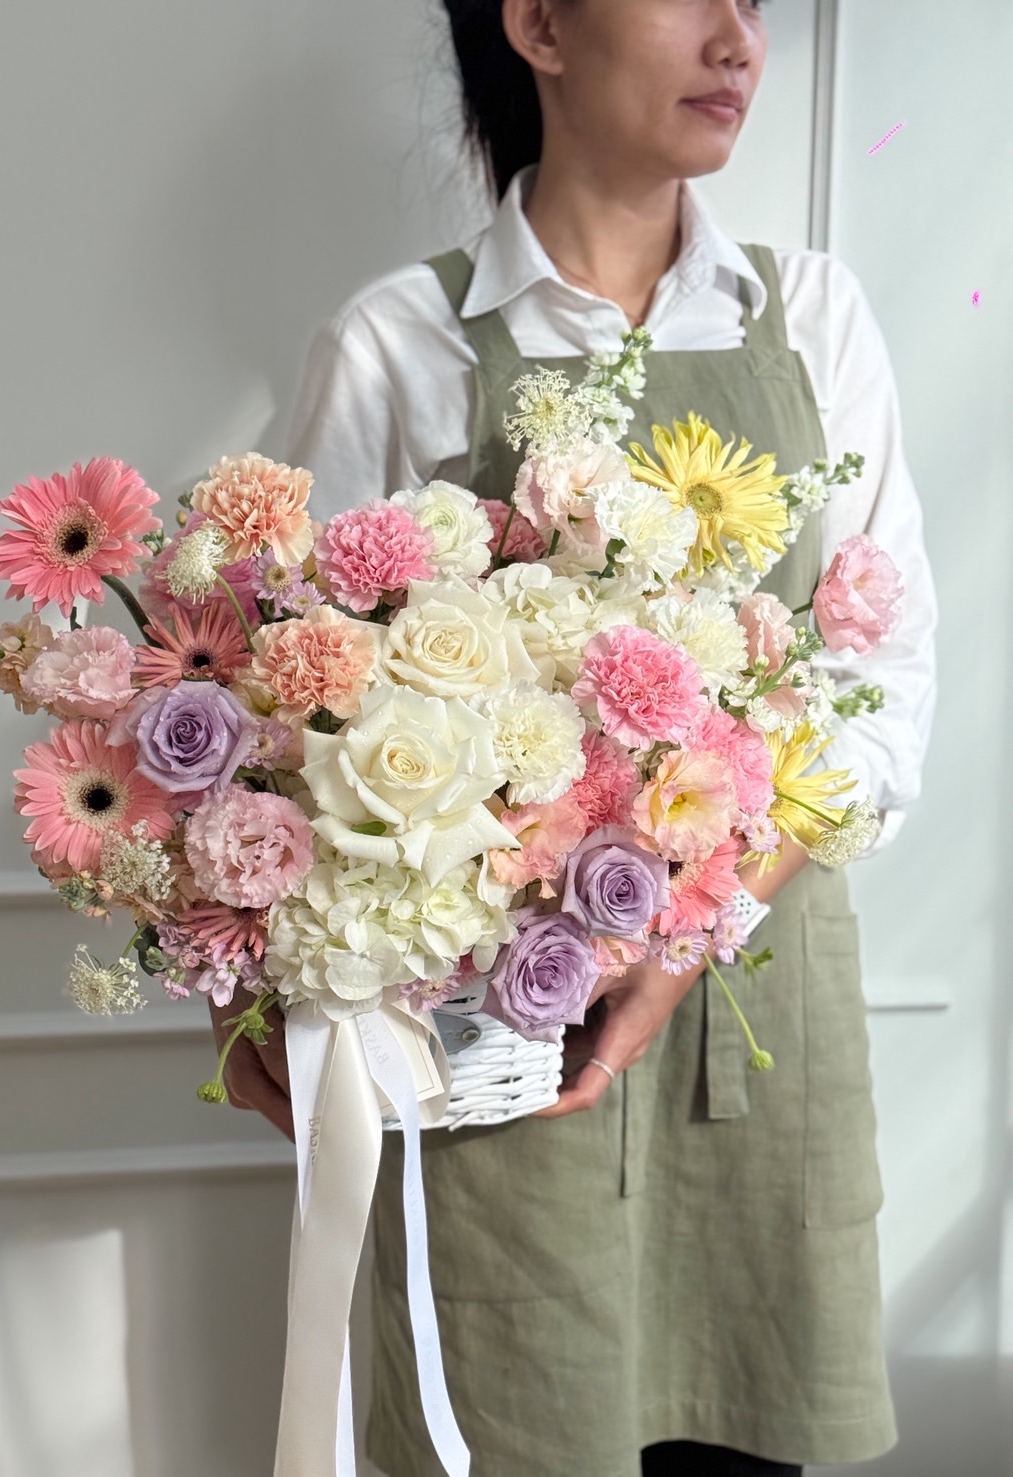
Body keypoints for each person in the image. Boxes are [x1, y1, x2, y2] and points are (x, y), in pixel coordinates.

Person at [208, 1, 938, 1472]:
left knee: (746, 1437)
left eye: (753, 4)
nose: (740, 39)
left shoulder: (813, 322)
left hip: (759, 1027)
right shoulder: (399, 344)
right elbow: (281, 716)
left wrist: (690, 924)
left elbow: (884, 689)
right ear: (539, 22)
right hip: (509, 1061)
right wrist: (244, 993)